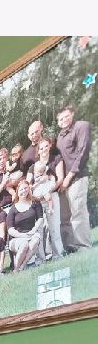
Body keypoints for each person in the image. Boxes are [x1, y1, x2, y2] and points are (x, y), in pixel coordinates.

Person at [56, 104, 92, 252]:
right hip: (66, 182)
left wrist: (69, 177)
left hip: (77, 177)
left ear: (72, 114)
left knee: (78, 212)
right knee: (68, 215)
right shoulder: (60, 136)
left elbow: (83, 153)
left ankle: (84, 246)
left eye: (66, 117)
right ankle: (72, 246)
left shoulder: (82, 126)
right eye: (60, 119)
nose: (63, 120)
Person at [5, 179, 45, 271]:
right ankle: (16, 269)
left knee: (35, 240)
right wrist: (22, 235)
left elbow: (40, 218)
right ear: (17, 192)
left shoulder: (35, 202)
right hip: (17, 238)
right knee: (24, 245)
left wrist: (34, 230)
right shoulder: (13, 209)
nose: (24, 191)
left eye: (26, 188)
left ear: (29, 189)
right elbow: (10, 229)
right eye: (21, 189)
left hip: (31, 233)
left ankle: (22, 266)